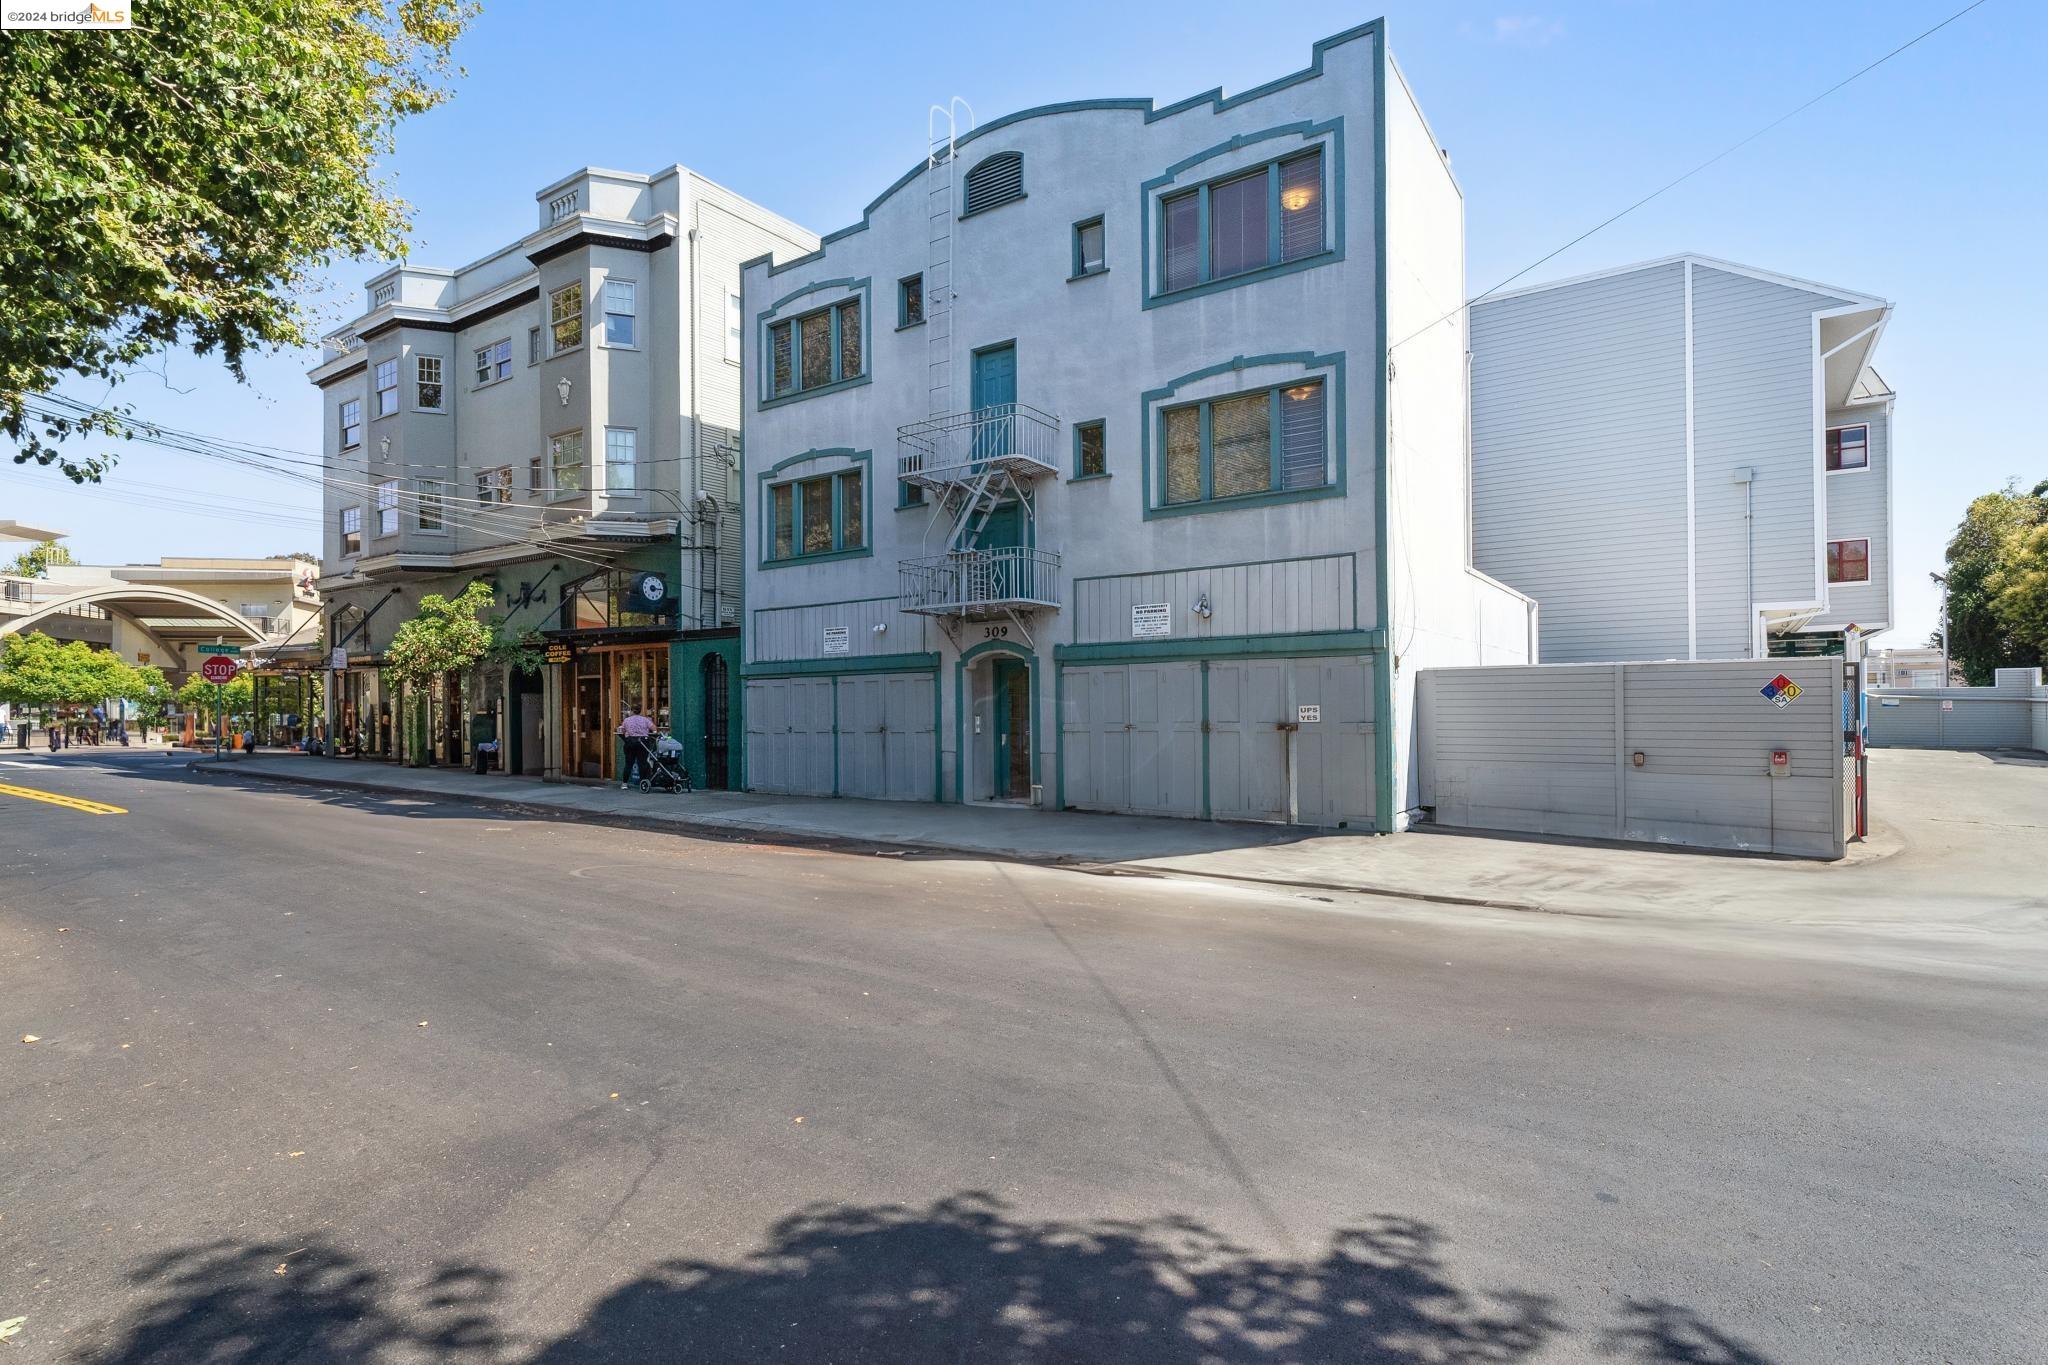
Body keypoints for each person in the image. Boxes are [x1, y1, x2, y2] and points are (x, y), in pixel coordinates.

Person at [616, 707, 657, 790]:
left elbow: (622, 730)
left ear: (632, 711)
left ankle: (624, 784)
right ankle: (643, 784)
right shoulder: (645, 719)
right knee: (642, 763)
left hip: (630, 743)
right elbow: (654, 728)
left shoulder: (627, 720)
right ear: (640, 711)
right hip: (642, 743)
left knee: (628, 764)